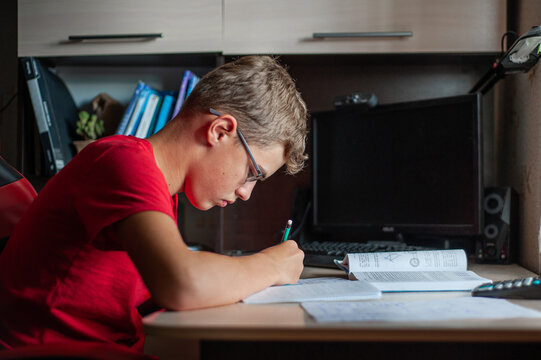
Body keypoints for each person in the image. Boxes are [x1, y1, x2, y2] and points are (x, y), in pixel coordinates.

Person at [0, 56, 308, 352]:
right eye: (253, 173)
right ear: (220, 131)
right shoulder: (124, 162)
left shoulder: (160, 190)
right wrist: (271, 265)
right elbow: (182, 283)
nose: (246, 193)